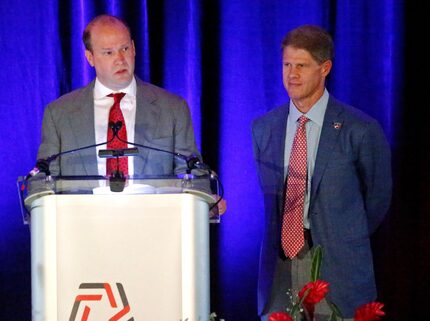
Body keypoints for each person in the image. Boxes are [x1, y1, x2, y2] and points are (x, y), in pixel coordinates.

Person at [252, 25, 391, 320]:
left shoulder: (360, 129)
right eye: (287, 65)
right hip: (282, 272)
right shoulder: (264, 128)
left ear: (325, 68)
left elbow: (377, 199)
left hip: (339, 270)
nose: (292, 74)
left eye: (301, 66)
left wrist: (343, 234)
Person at [37, 14, 201, 177]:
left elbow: (192, 174)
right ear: (90, 58)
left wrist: (206, 198)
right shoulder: (59, 113)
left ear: (134, 48)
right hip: (85, 203)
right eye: (109, 53)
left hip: (150, 203)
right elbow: (43, 180)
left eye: (125, 49)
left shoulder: (172, 108)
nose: (120, 59)